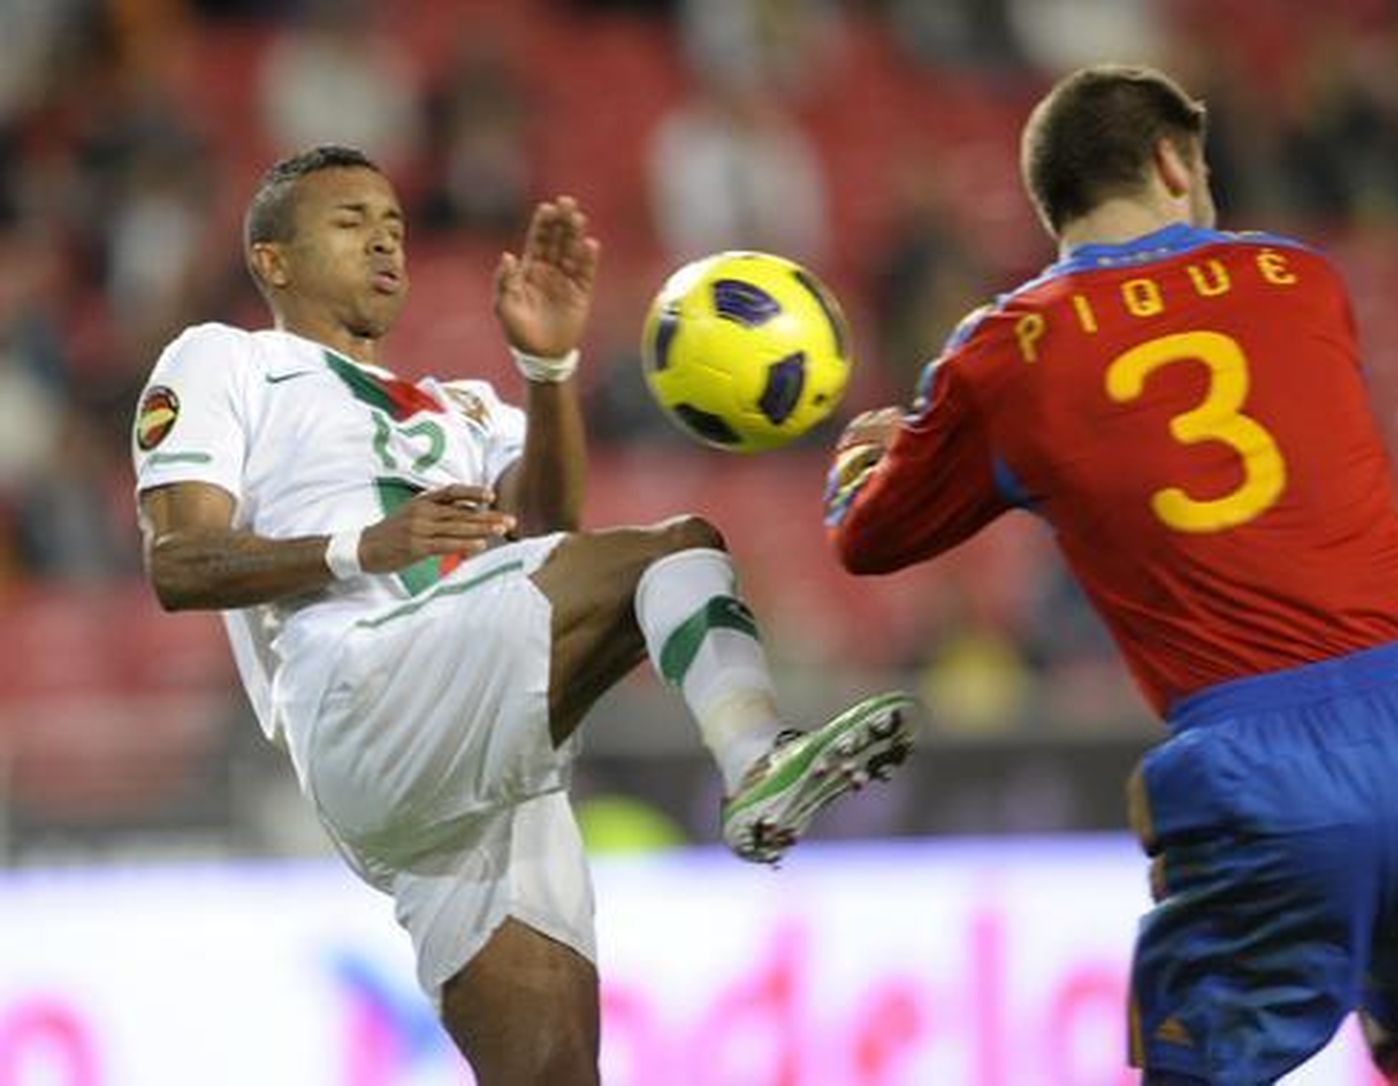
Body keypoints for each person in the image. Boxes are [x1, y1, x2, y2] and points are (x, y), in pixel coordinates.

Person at [130, 145, 915, 1085]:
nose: (384, 243)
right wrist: (362, 547)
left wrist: (549, 368)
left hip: (473, 766)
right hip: (362, 686)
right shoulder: (231, 361)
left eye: (393, 226)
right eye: (349, 223)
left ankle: (760, 772)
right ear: (273, 259)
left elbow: (552, 533)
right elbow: (177, 562)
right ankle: (758, 761)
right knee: (677, 546)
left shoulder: (463, 408)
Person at [825, 65, 1398, 1086]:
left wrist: (866, 466)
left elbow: (868, 542)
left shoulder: (1008, 353)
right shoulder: (1305, 279)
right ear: (1169, 160)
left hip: (1265, 768)